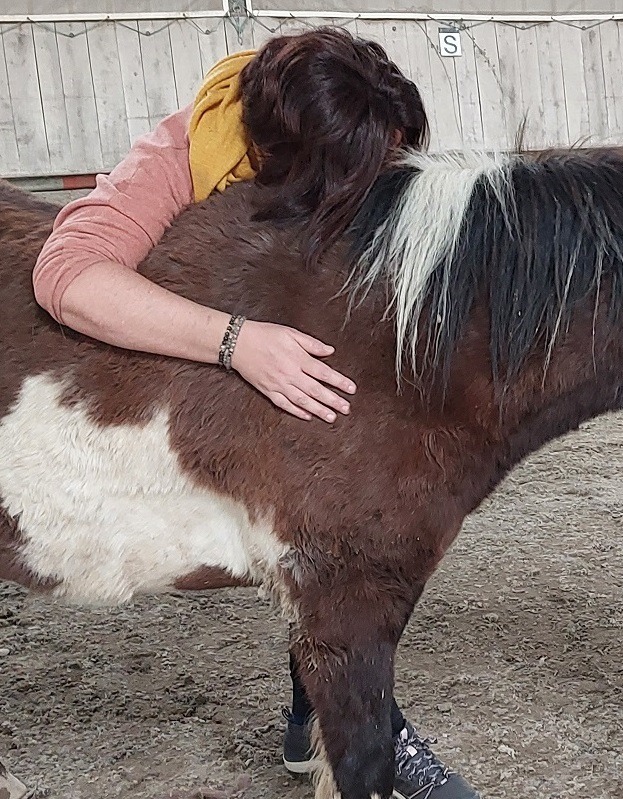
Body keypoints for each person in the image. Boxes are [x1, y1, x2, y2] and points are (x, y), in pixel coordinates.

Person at [32, 26, 479, 799]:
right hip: (208, 375)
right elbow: (66, 276)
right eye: (366, 178)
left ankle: (316, 718)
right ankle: (362, 728)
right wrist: (237, 342)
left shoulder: (359, 132)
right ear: (293, 165)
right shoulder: (182, 157)